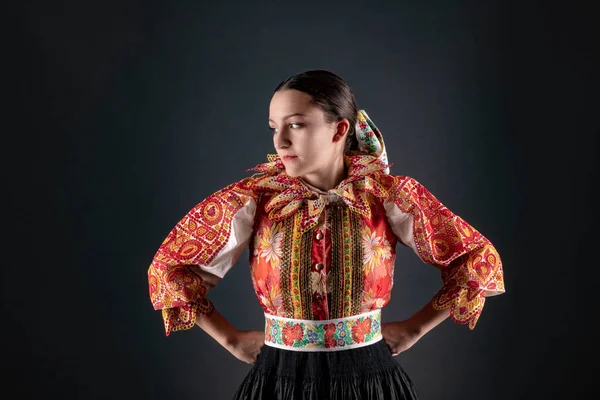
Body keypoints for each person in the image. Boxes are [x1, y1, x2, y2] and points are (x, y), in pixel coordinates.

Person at [147, 69, 505, 399]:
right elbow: (169, 268)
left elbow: (477, 259)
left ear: (339, 130)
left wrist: (415, 328)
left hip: (369, 378)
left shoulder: (386, 195)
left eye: (297, 125)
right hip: (277, 377)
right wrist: (230, 339)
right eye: (274, 127)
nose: (281, 141)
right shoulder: (254, 199)